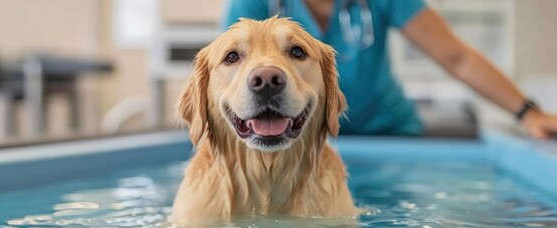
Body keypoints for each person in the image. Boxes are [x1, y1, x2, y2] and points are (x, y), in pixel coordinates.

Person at [223, 0, 557, 138]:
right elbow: (226, 79)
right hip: (297, 142)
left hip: (387, 132)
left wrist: (527, 113)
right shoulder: (253, 3)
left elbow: (458, 58)